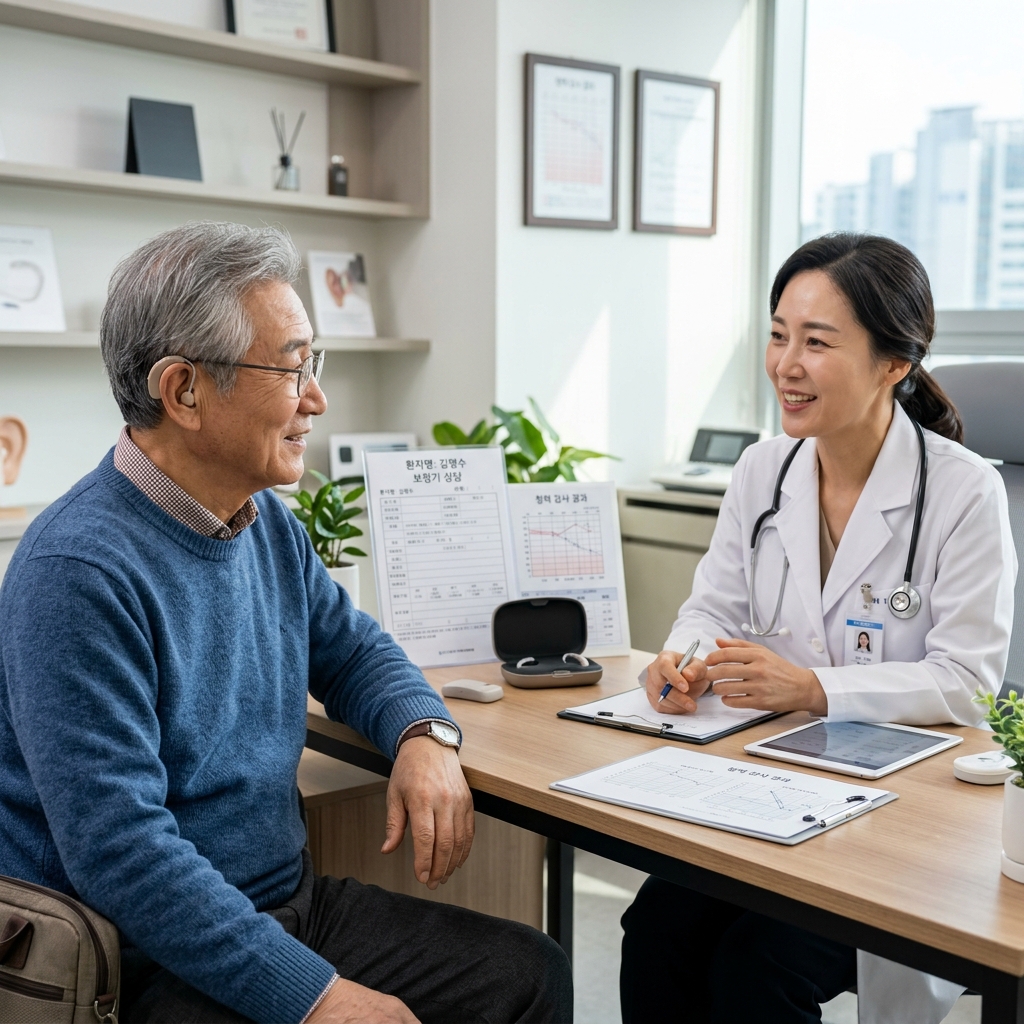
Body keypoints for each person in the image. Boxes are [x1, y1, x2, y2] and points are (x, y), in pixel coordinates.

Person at [0, 222, 572, 1024]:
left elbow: (354, 652)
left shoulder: (263, 521)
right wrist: (316, 997)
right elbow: (122, 853)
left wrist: (423, 736)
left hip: (285, 906)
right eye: (291, 366)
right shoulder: (76, 572)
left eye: (314, 363)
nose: (316, 398)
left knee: (526, 973)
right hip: (144, 956)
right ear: (185, 390)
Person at [620, 233, 1016, 1024]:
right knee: (654, 932)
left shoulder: (965, 492)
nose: (786, 363)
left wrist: (812, 687)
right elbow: (712, 608)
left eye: (816, 341)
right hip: (772, 782)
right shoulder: (763, 470)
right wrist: (683, 659)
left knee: (753, 969)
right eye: (777, 334)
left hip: (904, 815)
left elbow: (970, 683)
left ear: (893, 363)